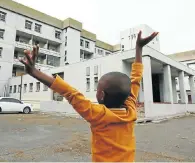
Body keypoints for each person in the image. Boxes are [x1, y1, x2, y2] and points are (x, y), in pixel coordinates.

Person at [19, 30, 158, 162]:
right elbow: (136, 79)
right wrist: (139, 49)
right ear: (128, 96)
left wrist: (33, 72)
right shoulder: (131, 109)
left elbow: (70, 93)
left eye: (98, 88)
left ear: (102, 95)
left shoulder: (98, 115)